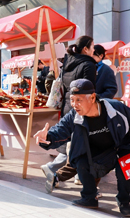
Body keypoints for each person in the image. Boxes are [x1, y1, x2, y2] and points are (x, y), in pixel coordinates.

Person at [34, 79, 130, 217]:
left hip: (122, 145)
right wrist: (46, 137)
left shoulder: (115, 108)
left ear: (92, 97)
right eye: (72, 100)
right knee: (81, 160)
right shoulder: (74, 115)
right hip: (97, 150)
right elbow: (59, 131)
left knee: (125, 171)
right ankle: (89, 198)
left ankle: (124, 201)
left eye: (79, 100)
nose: (74, 105)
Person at [41, 35, 97, 192]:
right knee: (79, 144)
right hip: (81, 108)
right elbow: (90, 90)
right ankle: (53, 169)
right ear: (86, 49)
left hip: (68, 106)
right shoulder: (88, 65)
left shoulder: (68, 62)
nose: (94, 50)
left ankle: (59, 171)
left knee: (72, 142)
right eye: (92, 47)